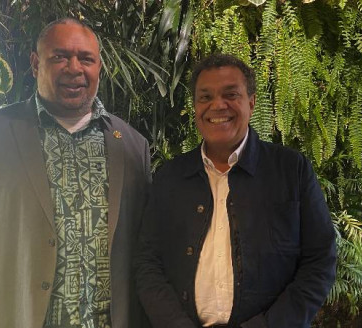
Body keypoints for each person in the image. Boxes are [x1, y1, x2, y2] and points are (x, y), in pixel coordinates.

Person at [0, 18, 151, 328]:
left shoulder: (132, 146)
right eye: (60, 56)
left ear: (99, 66)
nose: (74, 68)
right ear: (35, 64)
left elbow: (145, 255)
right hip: (13, 317)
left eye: (86, 58)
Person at [135, 54, 336, 328]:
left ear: (251, 103)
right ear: (195, 107)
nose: (217, 105)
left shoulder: (291, 171)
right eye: (205, 97)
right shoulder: (170, 178)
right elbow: (148, 263)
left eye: (230, 94)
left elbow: (320, 260)